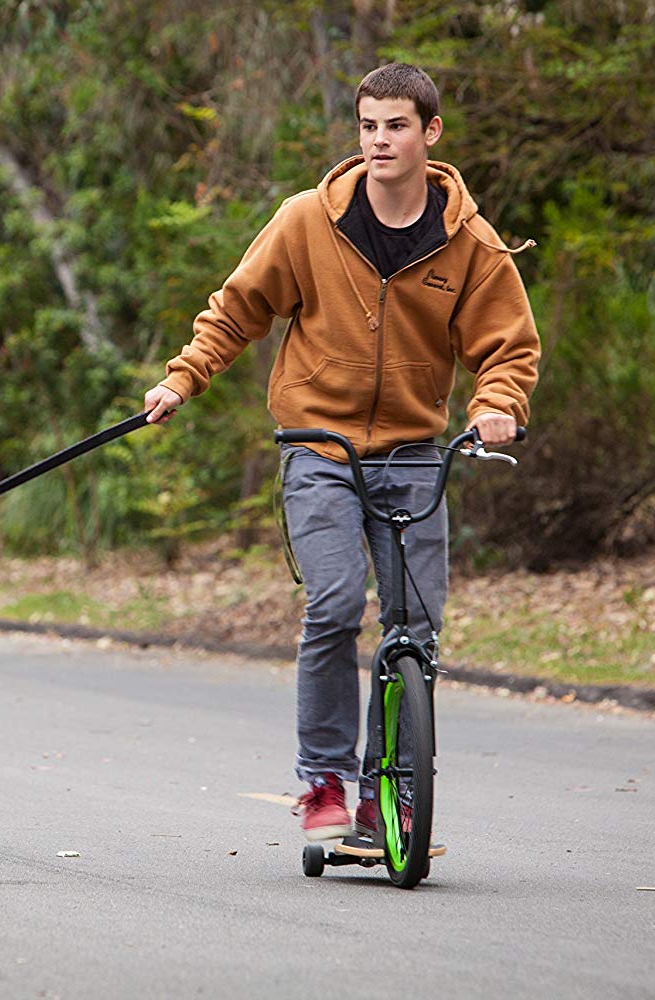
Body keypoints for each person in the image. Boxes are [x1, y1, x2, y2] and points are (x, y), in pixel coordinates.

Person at [143, 63, 540, 844]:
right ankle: (325, 775)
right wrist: (182, 381)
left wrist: (495, 407)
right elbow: (238, 309)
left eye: (396, 126)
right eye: (368, 126)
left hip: (414, 452)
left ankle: (383, 797)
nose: (380, 141)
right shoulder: (306, 222)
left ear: (431, 133)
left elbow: (508, 348)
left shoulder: (472, 245)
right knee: (333, 603)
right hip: (318, 446)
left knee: (414, 630)